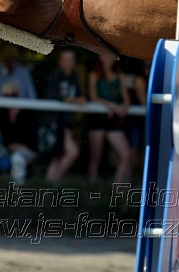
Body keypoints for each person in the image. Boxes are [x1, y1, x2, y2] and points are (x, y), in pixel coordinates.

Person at [0, 81, 39, 184]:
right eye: (6, 95)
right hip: (7, 147)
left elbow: (33, 141)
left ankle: (17, 192)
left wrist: (18, 146)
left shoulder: (27, 113)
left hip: (26, 149)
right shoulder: (3, 112)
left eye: (13, 95)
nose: (9, 98)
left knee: (17, 158)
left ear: (18, 96)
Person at [86, 54, 133, 184]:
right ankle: (91, 191)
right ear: (100, 57)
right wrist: (113, 106)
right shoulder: (94, 74)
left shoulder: (119, 75)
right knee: (96, 157)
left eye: (111, 56)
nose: (109, 59)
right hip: (97, 118)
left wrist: (125, 108)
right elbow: (93, 96)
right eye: (106, 56)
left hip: (113, 119)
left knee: (126, 155)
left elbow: (126, 96)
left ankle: (117, 192)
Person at [43, 49, 85, 184]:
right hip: (56, 123)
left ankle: (49, 187)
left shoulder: (74, 76)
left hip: (67, 123)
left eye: (71, 59)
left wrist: (79, 99)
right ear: (59, 61)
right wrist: (74, 100)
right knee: (71, 152)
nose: (69, 62)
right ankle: (53, 183)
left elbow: (79, 96)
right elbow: (53, 96)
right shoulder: (56, 75)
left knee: (59, 156)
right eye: (65, 59)